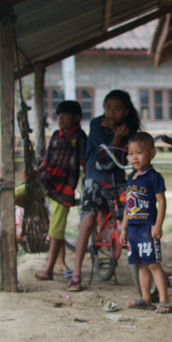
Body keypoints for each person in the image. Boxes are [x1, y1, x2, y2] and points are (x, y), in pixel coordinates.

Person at [68, 90, 140, 291]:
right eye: (108, 107)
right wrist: (116, 138)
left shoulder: (130, 128)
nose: (111, 112)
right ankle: (76, 274)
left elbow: (133, 154)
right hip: (95, 179)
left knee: (133, 216)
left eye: (117, 109)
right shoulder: (96, 124)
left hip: (117, 181)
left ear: (126, 111)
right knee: (88, 221)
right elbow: (103, 158)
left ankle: (149, 264)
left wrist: (123, 136)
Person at [15, 100, 86, 282]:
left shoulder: (80, 137)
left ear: (76, 118)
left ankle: (49, 270)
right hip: (45, 181)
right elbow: (46, 163)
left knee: (56, 230)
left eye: (64, 115)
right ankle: (39, 216)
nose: (60, 119)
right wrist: (35, 172)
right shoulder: (55, 136)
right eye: (58, 115)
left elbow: (84, 163)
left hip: (65, 188)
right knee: (13, 195)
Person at [119, 133, 172, 314]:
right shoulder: (131, 178)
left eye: (139, 153)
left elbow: (162, 202)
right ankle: (146, 298)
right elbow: (128, 205)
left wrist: (158, 225)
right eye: (131, 153)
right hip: (133, 229)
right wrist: (123, 228)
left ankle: (164, 300)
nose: (134, 157)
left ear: (152, 154)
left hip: (147, 227)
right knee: (140, 264)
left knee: (153, 264)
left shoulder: (153, 177)